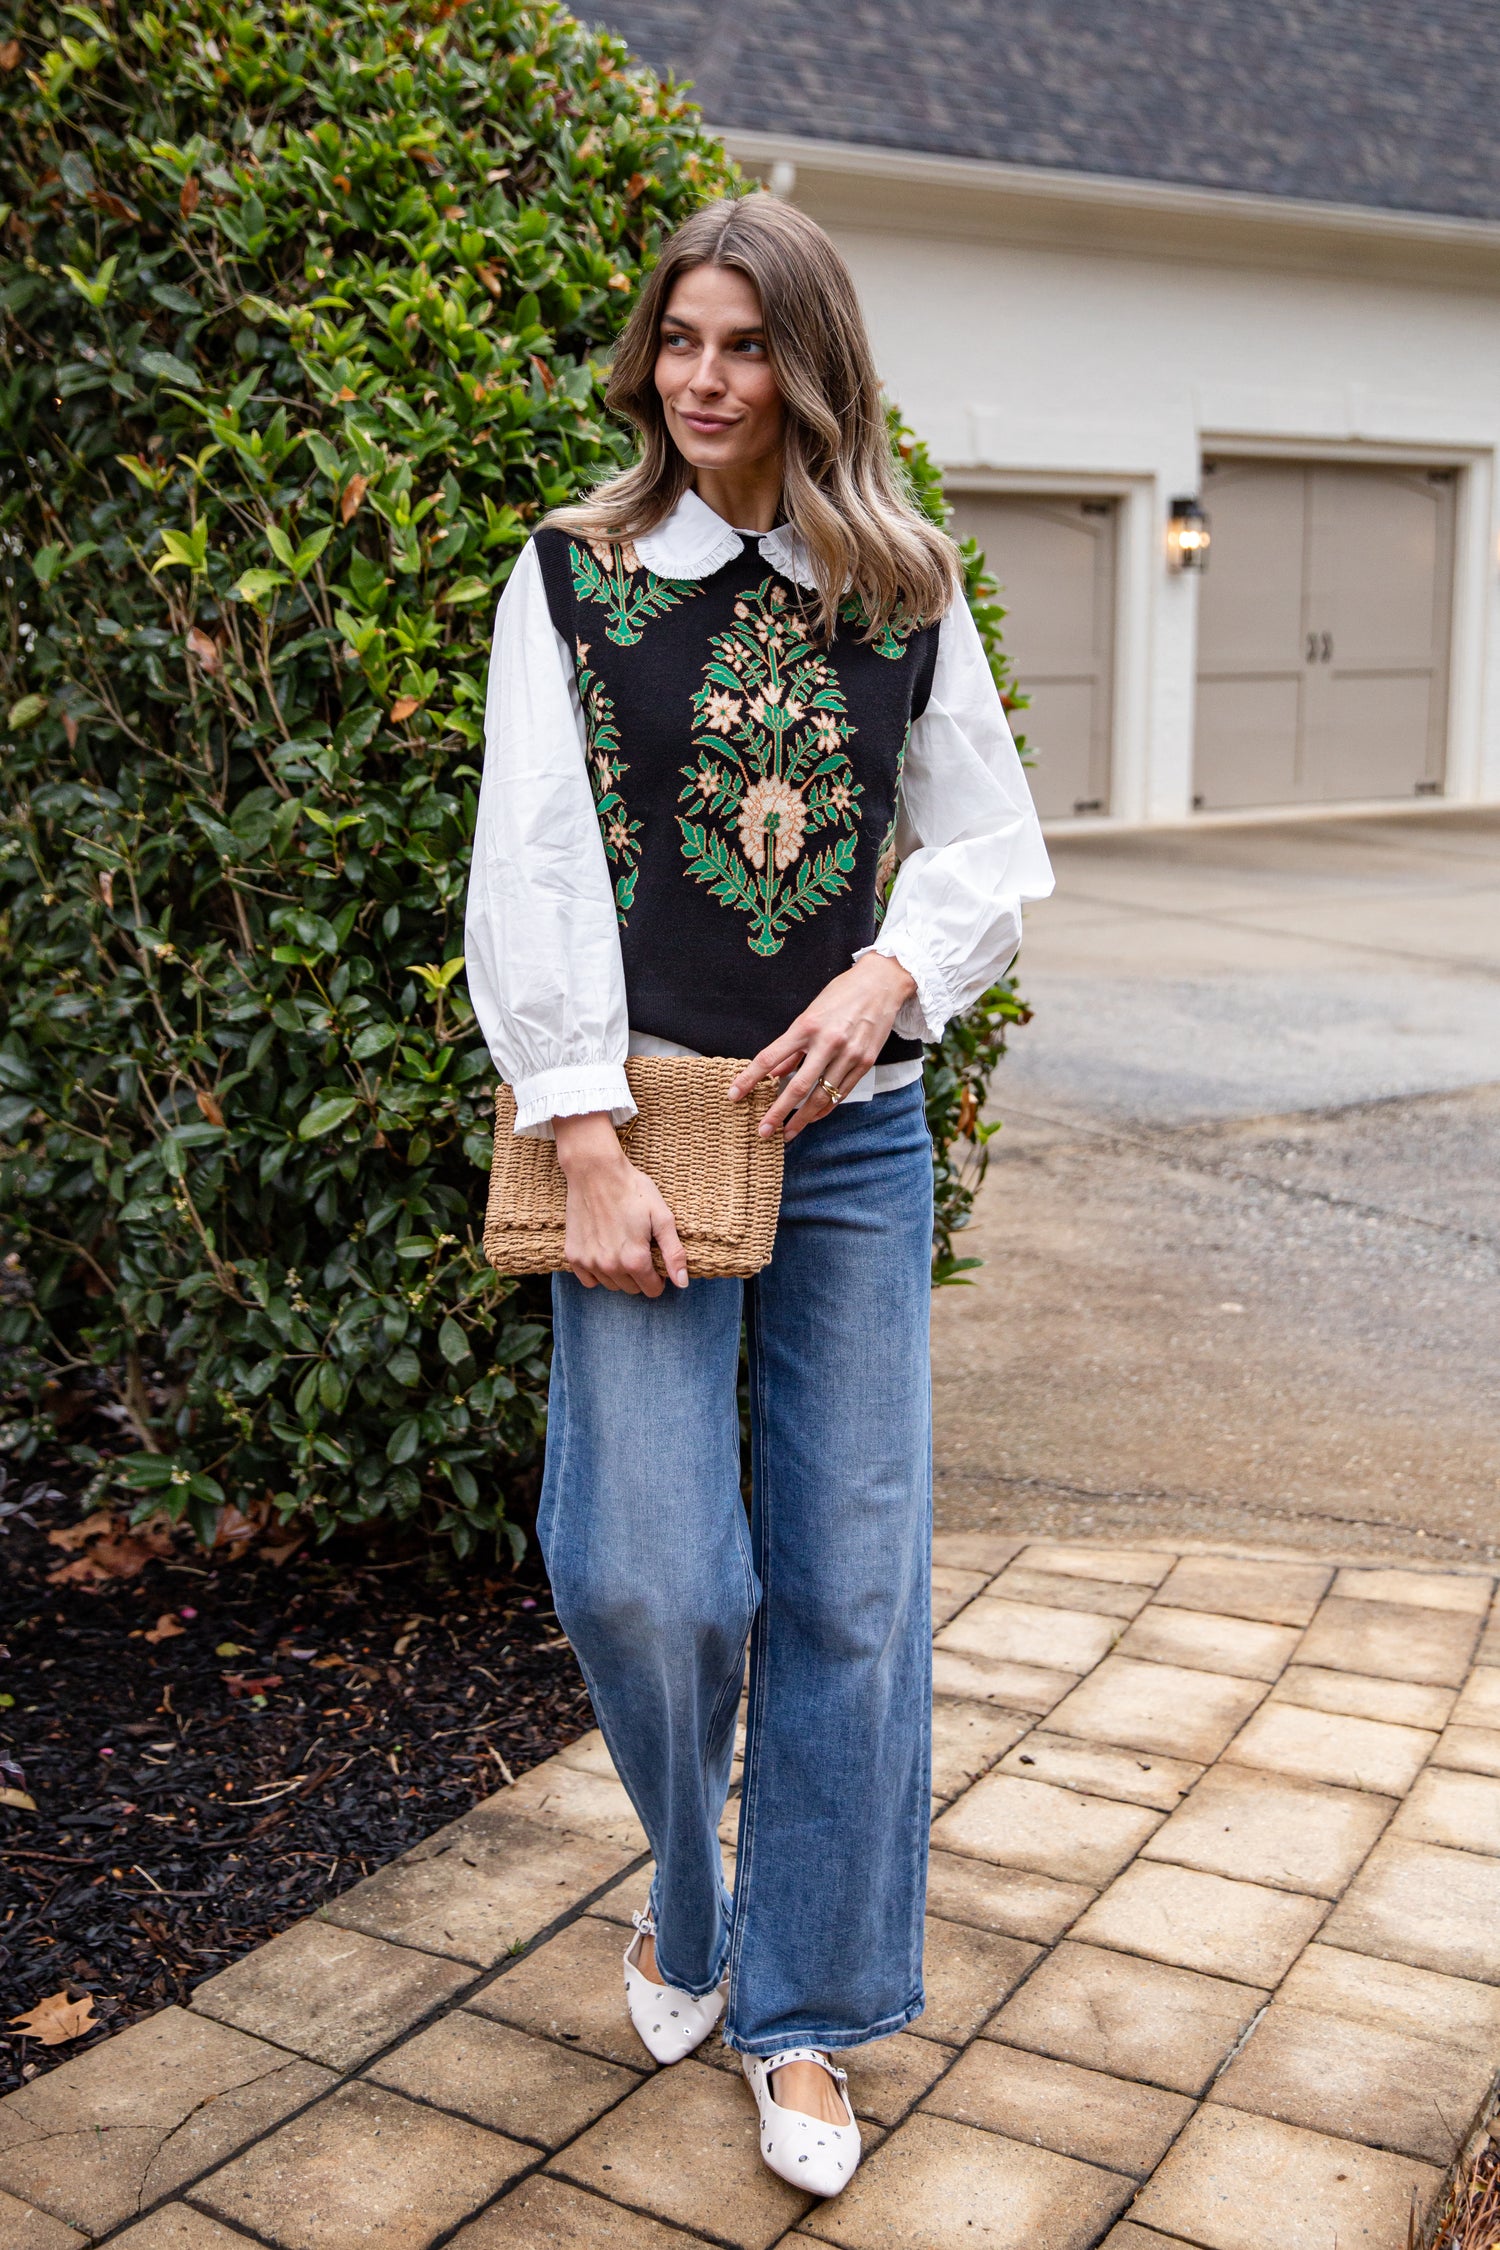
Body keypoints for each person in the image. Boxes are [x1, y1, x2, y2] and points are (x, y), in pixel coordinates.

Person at [464, 192, 1051, 2198]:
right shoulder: (575, 573)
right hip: (639, 1125)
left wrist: (894, 973)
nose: (705, 380)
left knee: (854, 1582)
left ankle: (804, 2008)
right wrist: (583, 1131)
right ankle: (689, 1889)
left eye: (745, 346)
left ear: (813, 367)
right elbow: (530, 857)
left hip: (855, 1133)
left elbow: (988, 846)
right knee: (645, 1569)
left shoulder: (902, 581)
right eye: (681, 341)